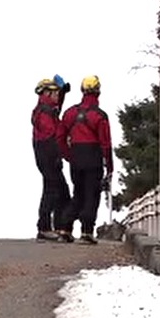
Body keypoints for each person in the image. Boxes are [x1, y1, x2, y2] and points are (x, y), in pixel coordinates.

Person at [55, 75, 114, 245]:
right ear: (98, 92)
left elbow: (60, 137)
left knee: (78, 193)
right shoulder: (100, 116)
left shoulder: (70, 113)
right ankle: (87, 231)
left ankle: (65, 228)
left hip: (76, 157)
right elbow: (106, 144)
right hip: (93, 157)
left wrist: (68, 155)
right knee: (91, 194)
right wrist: (109, 167)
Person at [31, 75, 72, 242]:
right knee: (52, 190)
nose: (57, 95)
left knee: (59, 190)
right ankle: (45, 228)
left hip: (47, 154)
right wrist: (58, 154)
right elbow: (51, 135)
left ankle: (58, 227)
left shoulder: (47, 108)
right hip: (48, 153)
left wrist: (63, 92)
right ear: (47, 93)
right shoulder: (45, 112)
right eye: (54, 92)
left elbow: (58, 106)